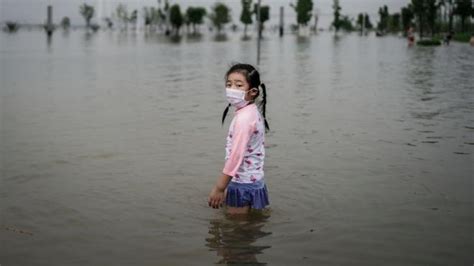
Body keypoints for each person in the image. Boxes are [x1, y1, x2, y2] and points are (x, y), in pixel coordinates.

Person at [208, 63, 270, 215]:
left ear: (253, 92)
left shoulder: (244, 119)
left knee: (236, 232)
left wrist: (219, 188)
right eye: (229, 84)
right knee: (248, 226)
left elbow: (236, 156)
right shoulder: (251, 112)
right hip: (254, 180)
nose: (231, 89)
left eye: (238, 85)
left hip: (243, 183)